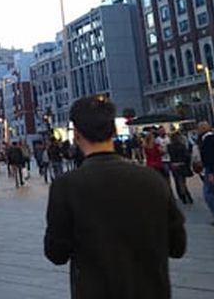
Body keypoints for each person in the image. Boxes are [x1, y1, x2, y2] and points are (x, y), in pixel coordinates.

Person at [45, 96, 186, 298]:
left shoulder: (66, 186)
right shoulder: (152, 180)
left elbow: (56, 253)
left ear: (76, 134)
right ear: (114, 131)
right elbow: (177, 246)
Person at [167, 131, 194, 205]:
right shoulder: (182, 146)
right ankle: (187, 196)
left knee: (179, 181)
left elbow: (169, 156)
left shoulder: (169, 147)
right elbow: (187, 156)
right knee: (182, 181)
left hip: (174, 165)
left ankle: (184, 196)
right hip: (182, 165)